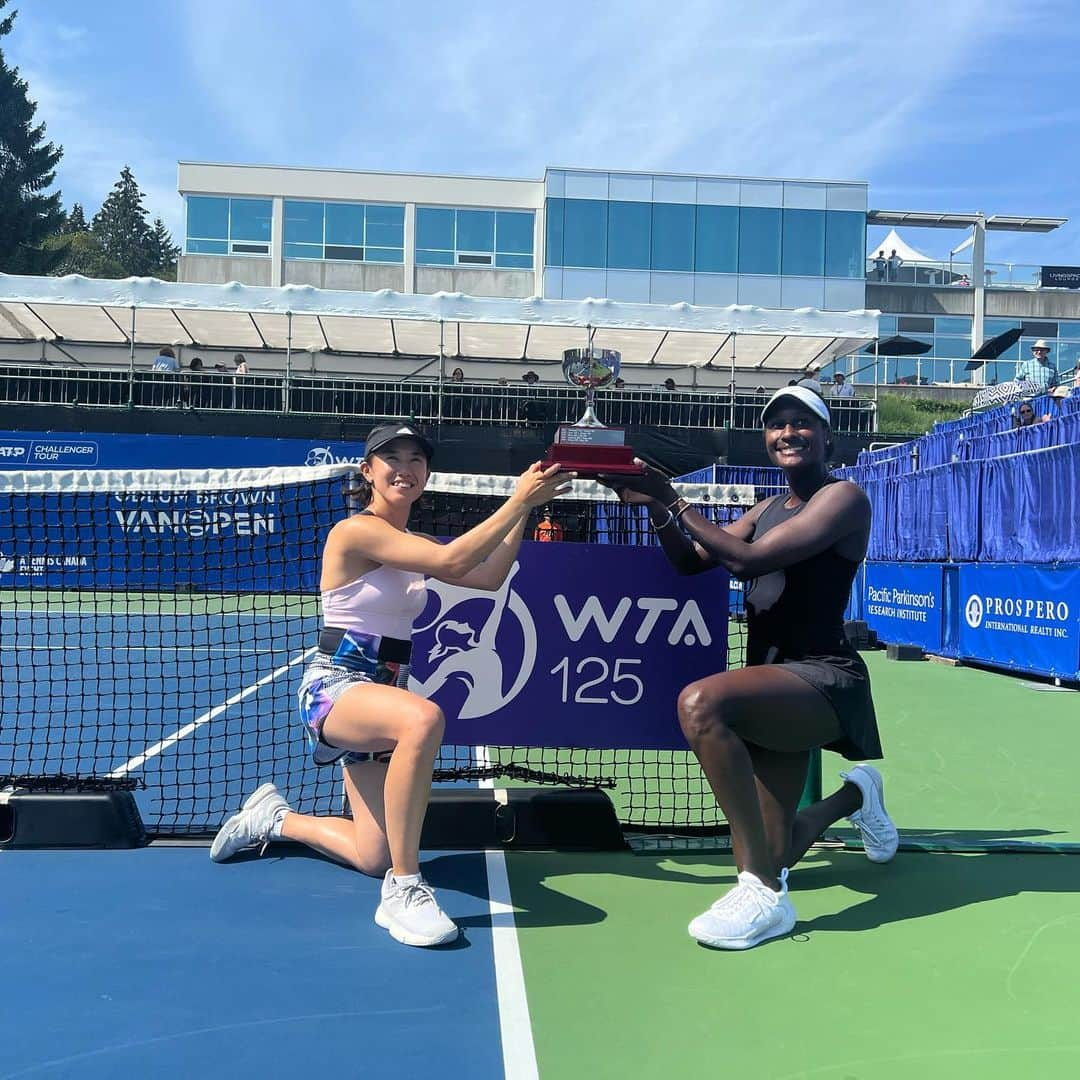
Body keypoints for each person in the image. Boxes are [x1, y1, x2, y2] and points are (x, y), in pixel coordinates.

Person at [210, 423, 570, 947]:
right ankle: (405, 888)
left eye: (417, 459)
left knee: (371, 853)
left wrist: (528, 509)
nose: (406, 468)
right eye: (392, 458)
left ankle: (275, 819)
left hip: (383, 691)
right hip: (335, 687)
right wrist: (516, 500)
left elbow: (488, 576)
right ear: (368, 472)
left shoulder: (412, 542)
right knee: (422, 718)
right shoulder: (355, 532)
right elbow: (452, 561)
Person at [599, 386, 894, 950]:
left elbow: (748, 560)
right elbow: (691, 562)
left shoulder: (844, 497)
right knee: (776, 846)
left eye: (802, 422)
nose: (788, 432)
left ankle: (761, 894)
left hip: (825, 680)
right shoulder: (765, 509)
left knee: (700, 704)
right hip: (773, 682)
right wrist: (659, 507)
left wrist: (675, 497)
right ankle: (857, 796)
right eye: (777, 424)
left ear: (827, 434)